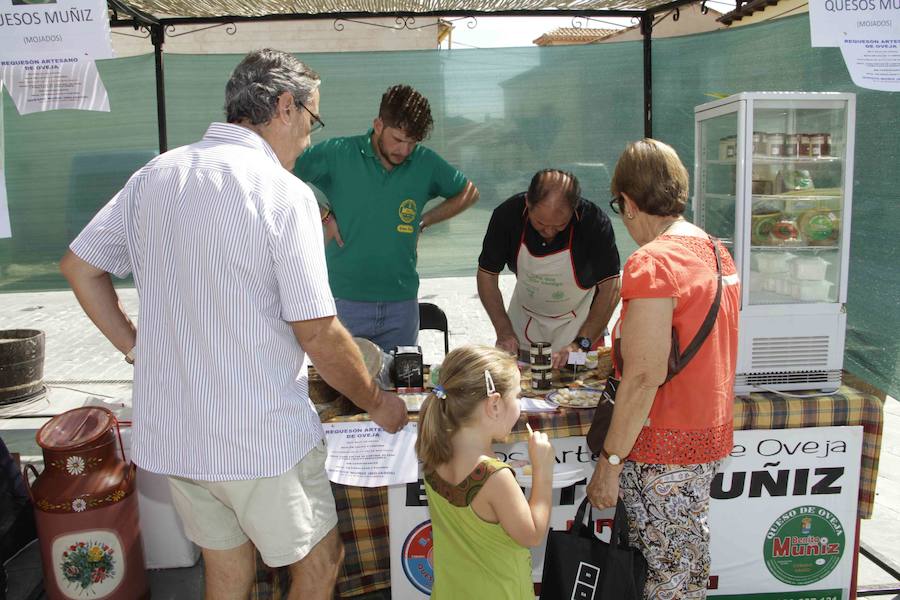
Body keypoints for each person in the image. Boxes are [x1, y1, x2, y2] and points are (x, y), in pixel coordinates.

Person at [60, 49, 408, 600]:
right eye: (313, 121)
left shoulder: (157, 173)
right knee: (319, 565)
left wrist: (137, 348)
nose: (310, 139)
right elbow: (317, 332)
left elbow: (81, 268)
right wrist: (377, 401)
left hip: (175, 430)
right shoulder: (283, 193)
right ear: (286, 108)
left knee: (226, 569)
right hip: (257, 437)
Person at [585, 139, 741, 598]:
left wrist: (610, 463)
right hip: (707, 433)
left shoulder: (653, 261)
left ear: (629, 203)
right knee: (684, 560)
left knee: (662, 573)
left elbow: (644, 374)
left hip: (661, 442)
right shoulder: (716, 251)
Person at [294, 84, 479, 352]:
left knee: (401, 388)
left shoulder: (424, 162)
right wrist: (322, 213)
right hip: (344, 300)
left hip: (401, 305)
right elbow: (280, 172)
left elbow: (468, 193)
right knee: (342, 390)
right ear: (378, 125)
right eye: (398, 139)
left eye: (412, 142)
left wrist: (423, 221)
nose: (404, 151)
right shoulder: (338, 153)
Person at [415, 345, 554, 599]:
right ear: (494, 405)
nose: (521, 405)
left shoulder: (435, 452)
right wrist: (543, 471)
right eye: (518, 396)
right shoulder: (495, 476)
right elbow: (532, 534)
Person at [477, 169, 621, 367]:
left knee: (582, 389)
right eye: (540, 223)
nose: (549, 232)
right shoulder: (507, 216)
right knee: (520, 385)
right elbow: (487, 275)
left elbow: (611, 287)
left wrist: (582, 342)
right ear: (528, 202)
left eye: (560, 225)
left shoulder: (594, 223)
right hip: (525, 321)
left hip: (581, 323)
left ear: (574, 208)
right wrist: (503, 330)